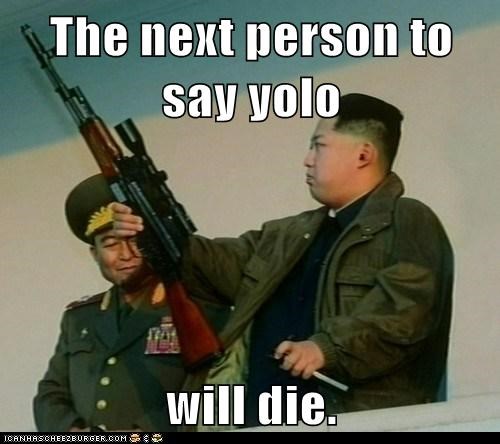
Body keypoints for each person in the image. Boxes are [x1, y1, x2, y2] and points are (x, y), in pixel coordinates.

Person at [112, 93, 454, 428]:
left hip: (352, 422)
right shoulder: (290, 233)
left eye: (319, 146)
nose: (307, 159)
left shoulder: (408, 219)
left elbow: (404, 315)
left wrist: (325, 348)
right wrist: (151, 224)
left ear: (363, 155)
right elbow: (210, 267)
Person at [33, 174, 228, 432]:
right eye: (111, 244)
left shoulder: (196, 306)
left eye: (134, 241)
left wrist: (145, 432)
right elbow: (51, 392)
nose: (125, 254)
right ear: (95, 254)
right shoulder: (79, 318)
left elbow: (222, 391)